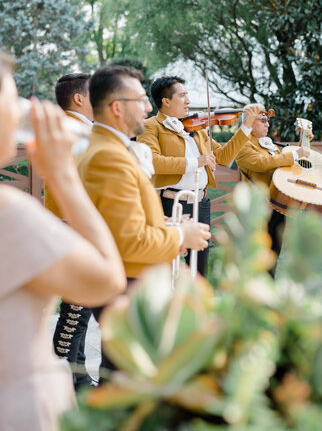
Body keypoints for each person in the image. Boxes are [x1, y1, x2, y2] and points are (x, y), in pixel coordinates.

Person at [0, 52, 126, 431]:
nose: (23, 108)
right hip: (21, 411)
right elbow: (107, 279)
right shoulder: (9, 213)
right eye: (14, 98)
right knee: (73, 323)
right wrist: (61, 174)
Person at [76, 66, 210, 375]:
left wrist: (168, 225)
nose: (149, 106)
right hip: (129, 287)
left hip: (128, 283)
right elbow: (130, 241)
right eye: (141, 99)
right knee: (129, 381)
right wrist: (180, 238)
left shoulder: (107, 147)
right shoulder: (108, 156)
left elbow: (122, 219)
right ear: (118, 108)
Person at [137, 76, 263, 276]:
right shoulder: (152, 126)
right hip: (171, 202)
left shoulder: (196, 128)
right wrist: (198, 162)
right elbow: (154, 161)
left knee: (200, 263)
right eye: (183, 96)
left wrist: (246, 126)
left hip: (201, 201)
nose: (188, 101)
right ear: (166, 101)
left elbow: (224, 156)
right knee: (167, 262)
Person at [45, 73, 96, 389]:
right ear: (79, 98)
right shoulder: (73, 129)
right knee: (76, 309)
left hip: (75, 223)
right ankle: (69, 378)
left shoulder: (78, 128)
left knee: (80, 308)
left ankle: (76, 375)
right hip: (74, 225)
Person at [235, 107, 309, 261]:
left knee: (275, 252)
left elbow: (284, 163)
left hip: (276, 202)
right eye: (262, 121)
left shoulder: (267, 143)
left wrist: (304, 141)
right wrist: (295, 154)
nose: (267, 124)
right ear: (249, 123)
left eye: (267, 121)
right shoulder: (242, 144)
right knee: (261, 255)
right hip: (259, 208)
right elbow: (264, 163)